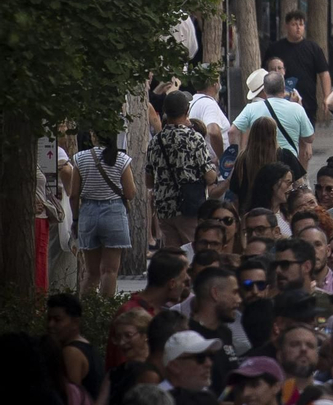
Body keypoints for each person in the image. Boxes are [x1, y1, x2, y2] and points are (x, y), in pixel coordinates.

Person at [69, 131, 136, 299]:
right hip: (114, 213)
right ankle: (105, 311)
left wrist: (76, 219)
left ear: (94, 136)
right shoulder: (121, 159)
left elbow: (73, 195)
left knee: (91, 273)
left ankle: (86, 312)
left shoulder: (80, 158)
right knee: (109, 270)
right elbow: (130, 193)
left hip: (88, 213)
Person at [149, 92, 217, 248]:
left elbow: (148, 180)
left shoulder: (155, 141)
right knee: (193, 253)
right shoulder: (194, 138)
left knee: (173, 260)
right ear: (187, 111)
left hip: (164, 209)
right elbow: (208, 176)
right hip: (189, 208)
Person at [233, 71, 315, 171]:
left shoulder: (251, 108)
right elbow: (309, 138)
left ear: (265, 89)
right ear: (283, 87)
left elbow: (231, 132)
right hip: (288, 166)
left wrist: (239, 157)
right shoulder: (297, 109)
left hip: (260, 166)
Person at [265, 10, 333, 121]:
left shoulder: (313, 48)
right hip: (281, 102)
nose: (298, 28)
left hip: (308, 102)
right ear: (286, 26)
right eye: (294, 24)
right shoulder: (275, 48)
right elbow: (265, 73)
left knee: (307, 136)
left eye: (301, 24)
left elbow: (324, 73)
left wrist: (327, 96)